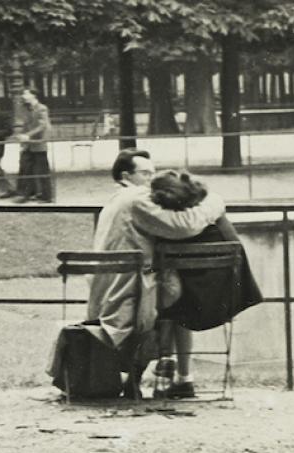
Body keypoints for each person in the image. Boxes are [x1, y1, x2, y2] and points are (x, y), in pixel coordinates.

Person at [87, 149, 226, 399]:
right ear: (126, 176)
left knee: (172, 290)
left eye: (153, 173)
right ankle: (177, 373)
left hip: (114, 284)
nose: (151, 180)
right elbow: (184, 225)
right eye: (145, 174)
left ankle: (169, 370)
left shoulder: (116, 199)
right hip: (132, 287)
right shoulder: (137, 199)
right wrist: (214, 202)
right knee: (179, 294)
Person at [148, 169, 263, 399]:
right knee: (176, 298)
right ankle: (184, 378)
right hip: (227, 294)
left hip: (182, 303)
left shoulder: (173, 223)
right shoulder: (212, 213)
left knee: (164, 297)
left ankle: (165, 362)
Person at [15, 88, 52, 202]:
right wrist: (21, 137)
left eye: (26, 94)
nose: (23, 96)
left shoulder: (42, 108)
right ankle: (26, 195)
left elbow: (42, 126)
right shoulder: (26, 109)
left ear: (34, 95)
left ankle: (46, 196)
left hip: (38, 144)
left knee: (42, 170)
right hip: (28, 145)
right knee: (26, 168)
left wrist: (28, 135)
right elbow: (25, 125)